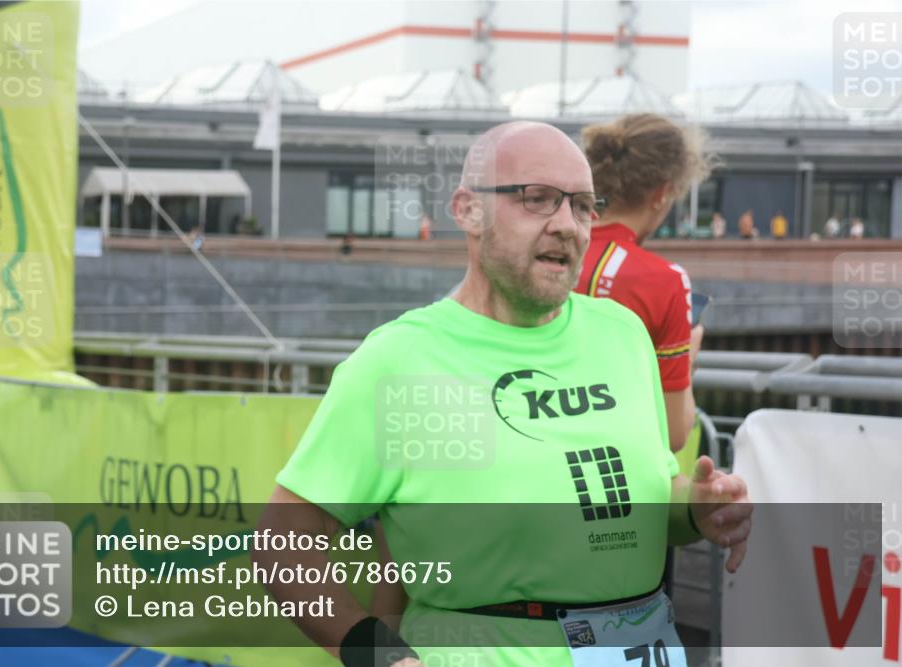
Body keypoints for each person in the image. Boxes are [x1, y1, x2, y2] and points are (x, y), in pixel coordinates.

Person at [254, 121, 751, 667]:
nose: (567, 225)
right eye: (537, 199)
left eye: (583, 206)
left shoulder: (623, 333)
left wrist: (697, 509)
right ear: (468, 210)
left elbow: (640, 499)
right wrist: (379, 656)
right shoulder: (401, 359)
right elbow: (284, 541)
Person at [576, 113, 714, 454]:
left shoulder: (548, 253)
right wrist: (688, 358)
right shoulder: (664, 280)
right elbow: (673, 433)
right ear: (661, 194)